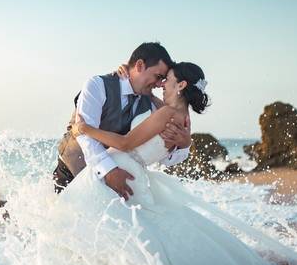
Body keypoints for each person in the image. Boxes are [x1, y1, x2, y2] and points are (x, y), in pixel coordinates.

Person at [52, 61, 290, 265]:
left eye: (168, 80)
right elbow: (154, 106)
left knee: (97, 223)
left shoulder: (167, 113)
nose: (162, 83)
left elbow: (125, 143)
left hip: (122, 167)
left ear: (182, 85)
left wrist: (85, 129)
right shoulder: (182, 116)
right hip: (130, 169)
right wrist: (124, 74)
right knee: (130, 230)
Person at [53, 42, 193, 197]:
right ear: (140, 65)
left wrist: (184, 145)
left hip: (117, 187)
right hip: (73, 174)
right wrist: (109, 171)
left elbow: (163, 156)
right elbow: (85, 136)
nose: (160, 84)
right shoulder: (97, 85)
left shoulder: (152, 106)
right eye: (158, 76)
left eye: (164, 79)